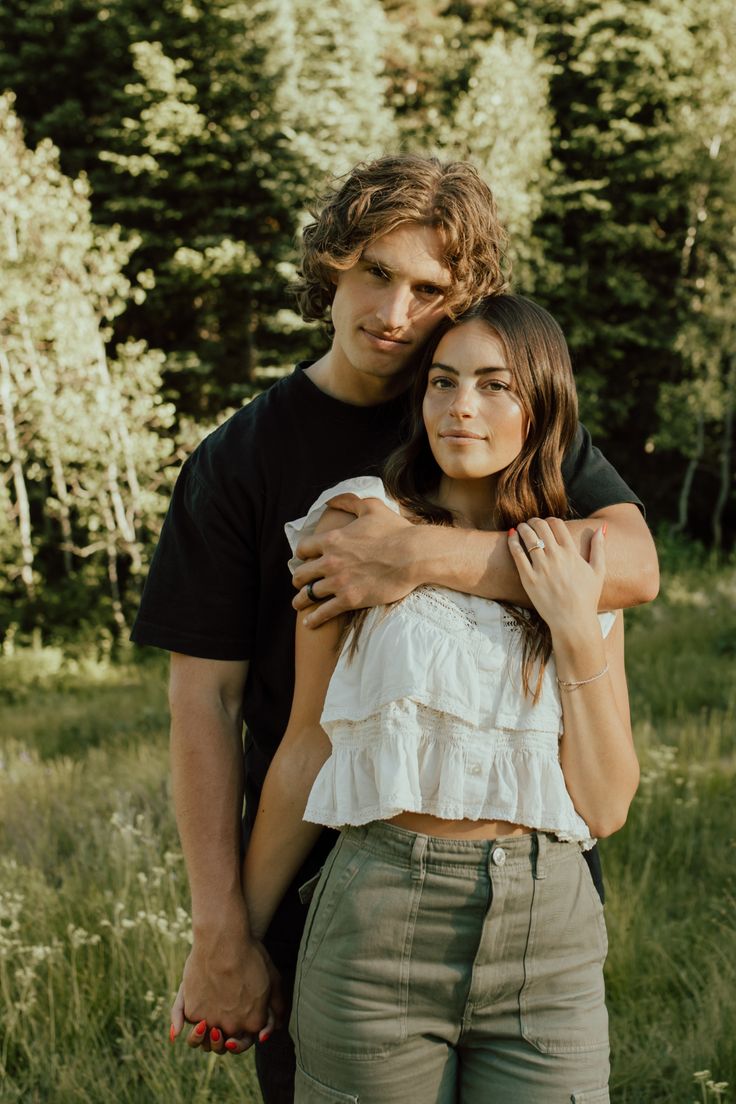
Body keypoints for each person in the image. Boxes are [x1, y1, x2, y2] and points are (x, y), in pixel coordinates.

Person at [130, 155, 657, 1103]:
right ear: (331, 267)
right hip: (323, 890)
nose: (398, 313)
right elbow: (207, 703)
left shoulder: (497, 415)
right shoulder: (242, 460)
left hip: (532, 891)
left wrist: (417, 558)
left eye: (430, 288)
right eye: (376, 271)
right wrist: (222, 935)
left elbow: (631, 567)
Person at [242, 293, 639, 1103]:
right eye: (443, 382)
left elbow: (603, 806)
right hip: (377, 923)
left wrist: (569, 622)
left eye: (495, 386)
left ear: (542, 406)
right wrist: (234, 939)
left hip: (547, 937)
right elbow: (306, 751)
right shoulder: (355, 524)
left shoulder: (582, 557)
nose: (462, 407)